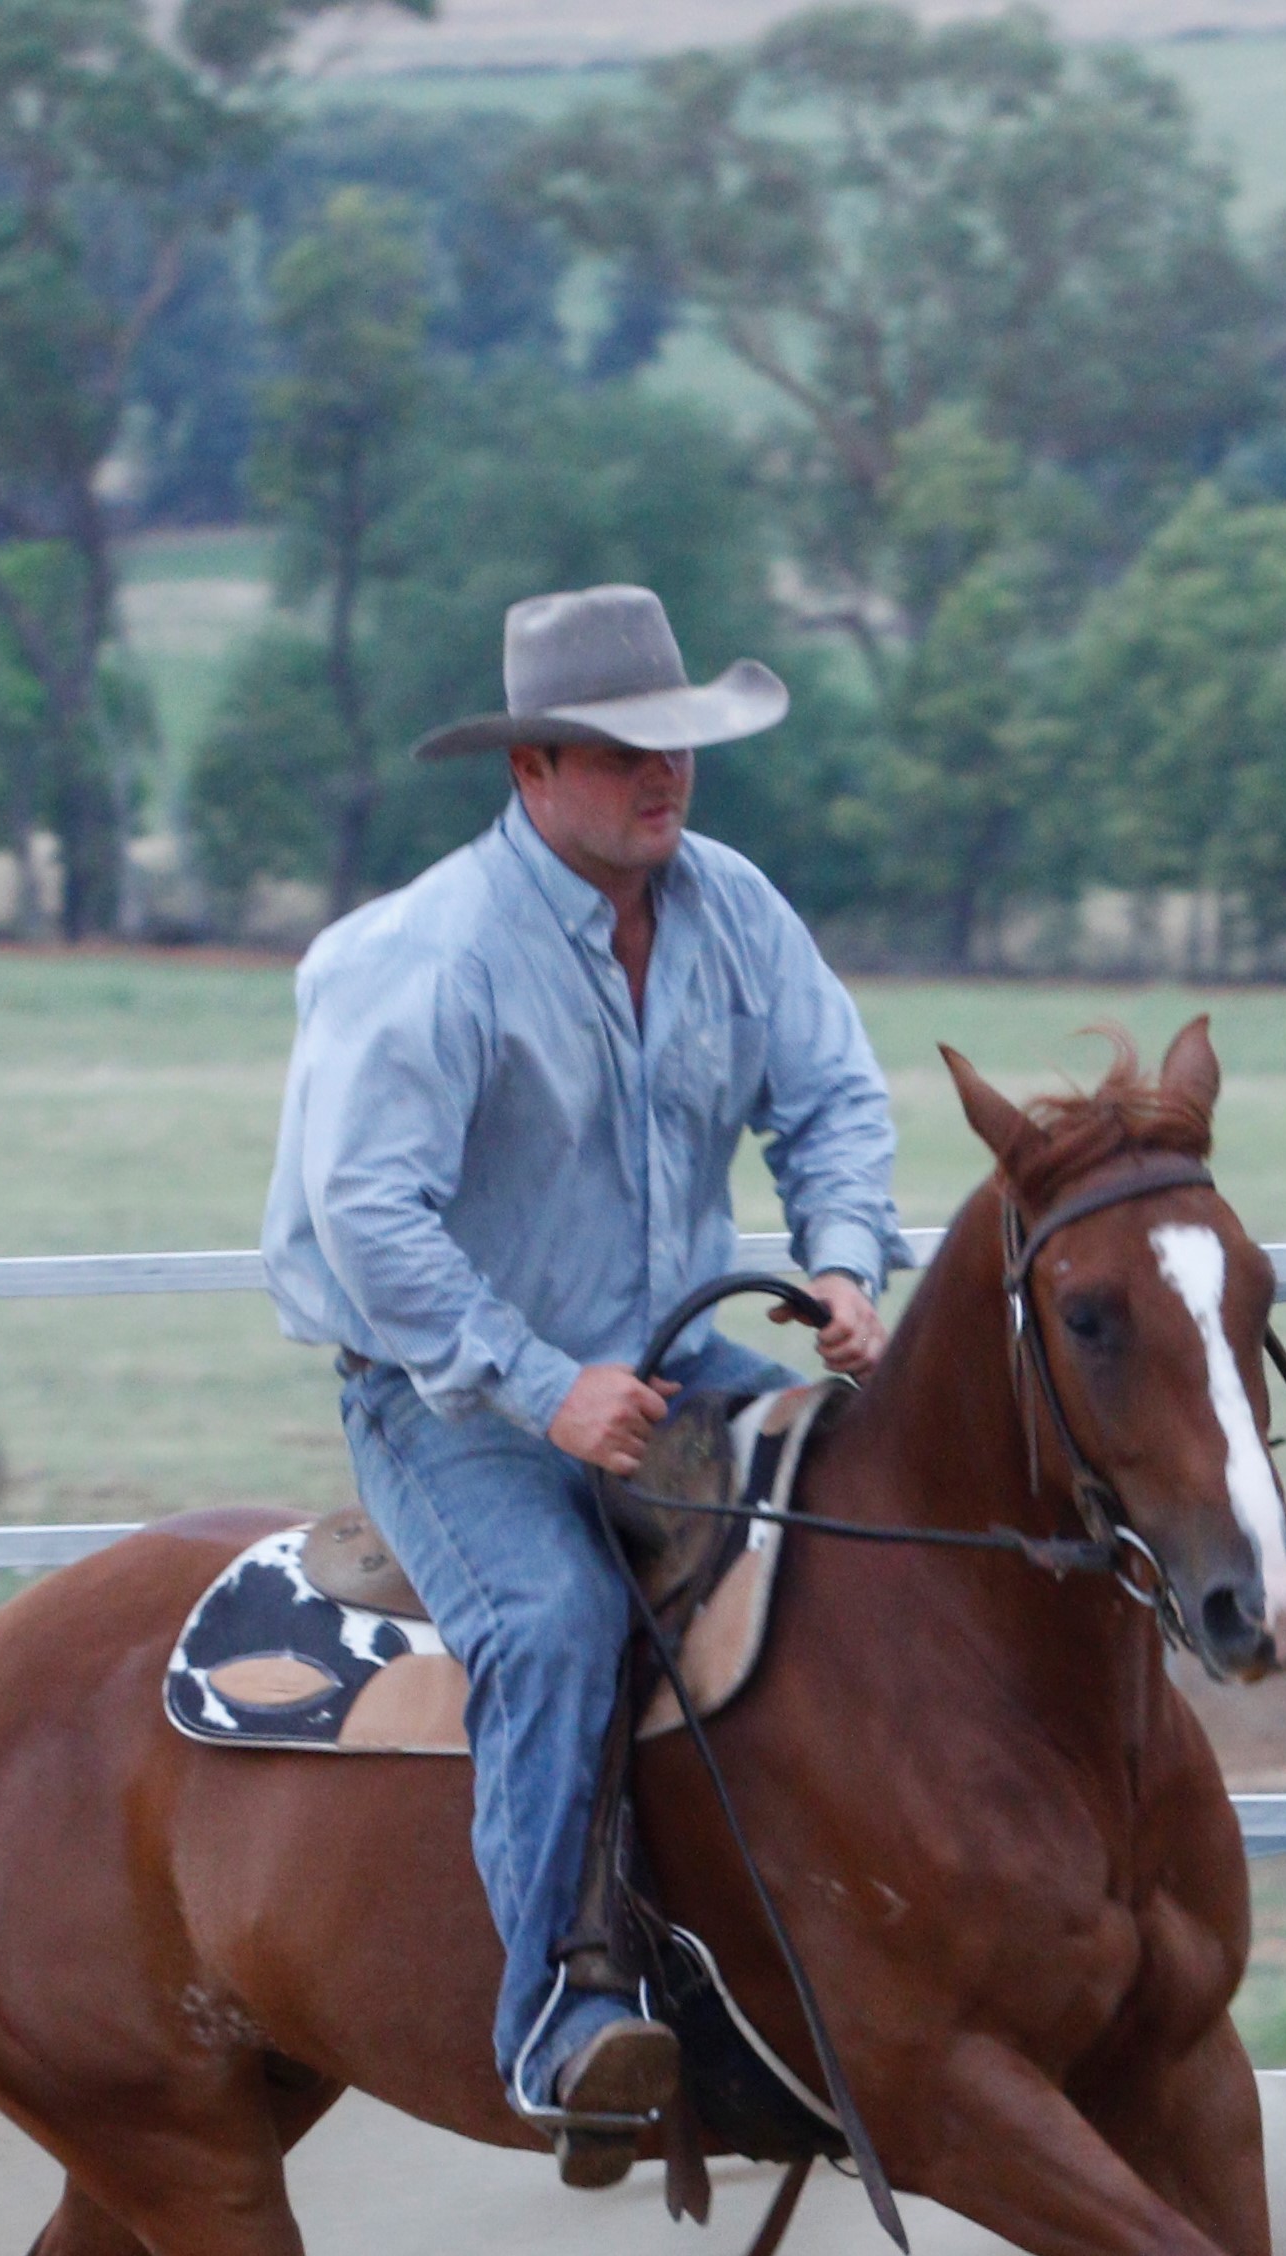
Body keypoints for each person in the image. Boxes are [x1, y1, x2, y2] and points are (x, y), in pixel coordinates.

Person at [264, 583, 900, 2149]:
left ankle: (875, 1925)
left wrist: (839, 1262)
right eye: (620, 751)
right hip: (449, 1398)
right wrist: (545, 1386)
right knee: (551, 1623)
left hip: (678, 1362)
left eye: (674, 744)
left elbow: (832, 1100)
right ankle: (559, 2015)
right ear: (530, 768)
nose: (661, 775)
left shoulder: (733, 908)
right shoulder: (431, 954)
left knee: (878, 1526)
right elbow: (368, 1216)